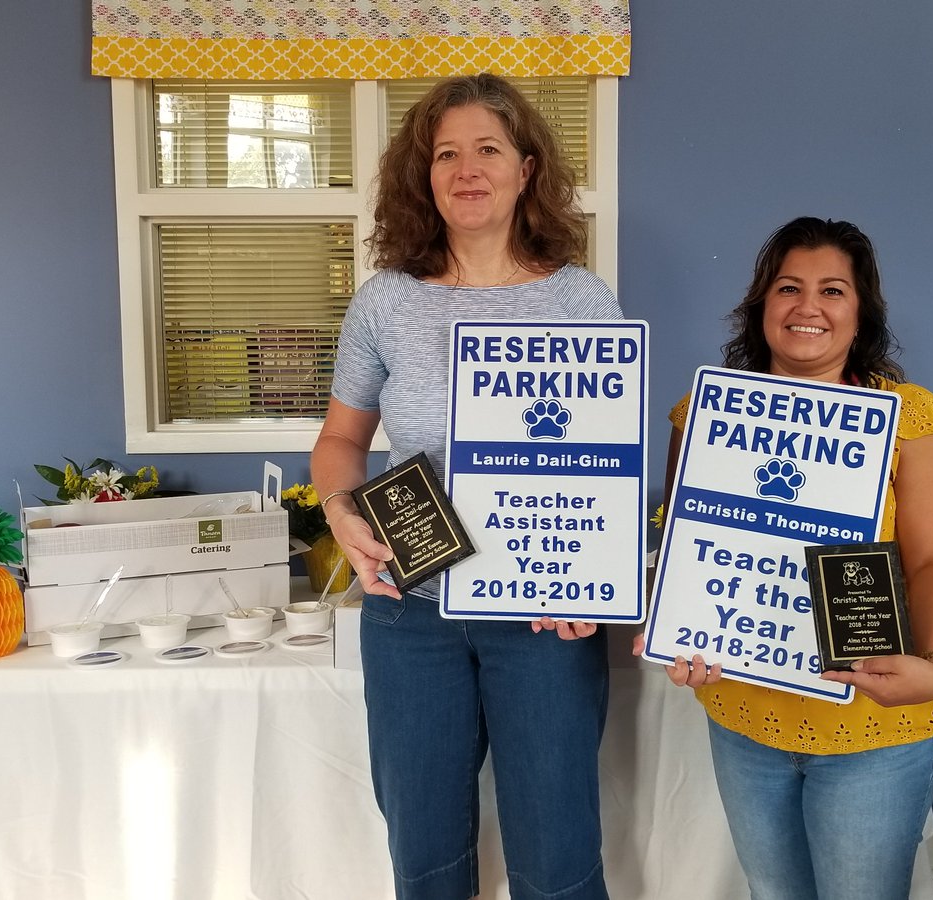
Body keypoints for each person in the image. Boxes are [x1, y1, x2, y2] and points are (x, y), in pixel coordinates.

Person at [310, 74, 617, 900]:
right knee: (426, 858)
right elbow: (342, 440)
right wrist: (341, 508)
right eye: (447, 152)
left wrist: (596, 571)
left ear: (526, 168)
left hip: (544, 609)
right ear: (425, 174)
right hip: (412, 609)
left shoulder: (580, 301)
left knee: (557, 862)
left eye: (488, 149)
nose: (467, 168)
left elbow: (609, 462)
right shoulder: (384, 304)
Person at [637, 216, 933, 900]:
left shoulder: (906, 417)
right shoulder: (702, 414)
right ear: (762, 306)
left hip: (872, 728)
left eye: (832, 290)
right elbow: (688, 549)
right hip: (746, 723)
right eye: (788, 287)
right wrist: (678, 627)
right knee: (772, 892)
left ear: (860, 313)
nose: (807, 305)